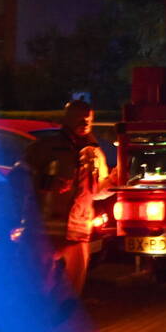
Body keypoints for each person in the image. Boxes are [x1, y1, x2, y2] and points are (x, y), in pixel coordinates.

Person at [23, 99, 110, 302]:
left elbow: (97, 191)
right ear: (67, 119)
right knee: (38, 282)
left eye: (88, 119)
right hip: (45, 229)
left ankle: (63, 314)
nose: (85, 123)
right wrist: (49, 182)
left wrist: (114, 181)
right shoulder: (46, 147)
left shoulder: (94, 153)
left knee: (73, 286)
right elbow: (20, 177)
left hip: (79, 230)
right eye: (80, 118)